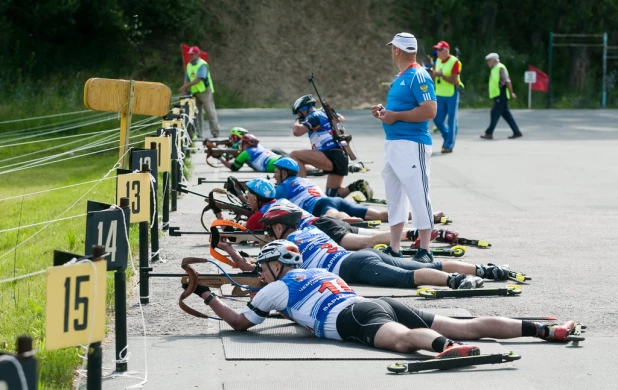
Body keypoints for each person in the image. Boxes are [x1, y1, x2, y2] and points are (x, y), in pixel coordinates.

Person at [185, 240, 579, 356]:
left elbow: (240, 322)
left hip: (349, 318)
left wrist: (205, 294)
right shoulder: (316, 271)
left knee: (405, 341)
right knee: (468, 322)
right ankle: (545, 330)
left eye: (262, 267)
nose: (259, 273)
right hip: (371, 302)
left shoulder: (274, 288)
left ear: (275, 267)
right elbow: (287, 306)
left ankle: (449, 348)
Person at [218, 204, 511, 289]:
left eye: (270, 229)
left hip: (354, 266)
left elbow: (255, 270)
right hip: (359, 256)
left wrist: (230, 252)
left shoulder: (287, 243)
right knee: (426, 265)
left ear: (279, 228)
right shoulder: (309, 231)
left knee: (410, 279)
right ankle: (486, 269)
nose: (269, 234)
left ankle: (456, 280)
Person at [242, 178, 452, 251]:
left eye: (249, 195)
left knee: (367, 242)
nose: (247, 198)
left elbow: (246, 231)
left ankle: (418, 232)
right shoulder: (282, 201)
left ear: (255, 198)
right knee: (376, 227)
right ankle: (421, 228)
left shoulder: (259, 213)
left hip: (323, 228)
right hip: (324, 222)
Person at [371, 32, 437, 262]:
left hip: (412, 144)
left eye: (392, 49)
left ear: (397, 50)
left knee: (419, 193)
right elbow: (400, 109)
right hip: (394, 144)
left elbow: (430, 110)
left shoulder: (419, 75)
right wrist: (385, 112)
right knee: (395, 196)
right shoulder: (402, 76)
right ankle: (395, 247)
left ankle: (426, 250)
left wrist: (395, 116)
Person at [290, 95, 373, 200]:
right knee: (331, 197)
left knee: (294, 155)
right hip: (341, 155)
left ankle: (302, 190)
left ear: (304, 109)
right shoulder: (324, 114)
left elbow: (297, 132)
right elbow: (341, 118)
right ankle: (356, 185)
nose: (298, 115)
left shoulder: (313, 116)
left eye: (299, 113)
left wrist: (298, 120)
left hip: (328, 153)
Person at [273, 158, 385, 221]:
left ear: (284, 173)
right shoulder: (304, 180)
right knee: (379, 215)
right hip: (335, 200)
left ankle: (348, 220)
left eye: (276, 172)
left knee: (332, 217)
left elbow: (266, 205)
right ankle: (396, 216)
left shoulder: (283, 187)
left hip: (321, 206)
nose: (274, 176)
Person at [179, 46, 220, 139]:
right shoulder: (189, 65)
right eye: (189, 55)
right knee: (197, 113)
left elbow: (199, 79)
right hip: (195, 92)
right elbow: (187, 78)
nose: (190, 56)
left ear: (197, 54)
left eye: (192, 54)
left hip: (205, 91)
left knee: (210, 112)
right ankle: (199, 133)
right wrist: (184, 89)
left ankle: (215, 132)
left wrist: (185, 86)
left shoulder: (202, 64)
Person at [480, 53, 523, 140]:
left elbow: (507, 81)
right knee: (506, 114)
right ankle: (516, 132)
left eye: (489, 61)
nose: (488, 63)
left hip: (501, 94)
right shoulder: (494, 69)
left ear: (494, 60)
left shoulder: (500, 68)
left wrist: (511, 93)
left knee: (494, 113)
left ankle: (489, 133)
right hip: (498, 95)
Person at [431, 41, 463, 153]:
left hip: (451, 94)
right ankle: (448, 135)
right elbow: (435, 78)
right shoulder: (438, 61)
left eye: (440, 50)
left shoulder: (455, 62)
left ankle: (449, 144)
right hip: (439, 94)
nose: (437, 52)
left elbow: (455, 80)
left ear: (446, 50)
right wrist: (433, 75)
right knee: (437, 119)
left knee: (451, 120)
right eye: (437, 50)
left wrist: (441, 75)